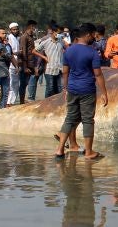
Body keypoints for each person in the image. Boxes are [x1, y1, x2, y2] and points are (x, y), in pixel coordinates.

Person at [54, 23, 109, 160]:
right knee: (88, 120)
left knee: (70, 118)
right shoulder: (92, 52)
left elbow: (65, 72)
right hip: (87, 90)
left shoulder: (68, 50)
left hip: (72, 88)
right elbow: (98, 74)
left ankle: (60, 149)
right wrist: (104, 93)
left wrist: (65, 88)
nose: (94, 38)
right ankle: (89, 152)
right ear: (88, 35)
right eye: (93, 35)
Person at [35, 25, 66, 97]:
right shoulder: (46, 42)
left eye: (60, 33)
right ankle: (46, 103)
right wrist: (44, 57)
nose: (59, 35)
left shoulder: (61, 41)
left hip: (59, 68)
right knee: (50, 88)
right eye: (58, 33)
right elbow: (34, 51)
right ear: (53, 32)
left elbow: (68, 47)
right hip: (50, 69)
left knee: (59, 88)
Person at [6, 22, 21, 106]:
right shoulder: (10, 38)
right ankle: (8, 102)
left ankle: (12, 101)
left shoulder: (17, 38)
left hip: (17, 63)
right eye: (13, 29)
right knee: (11, 83)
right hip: (12, 63)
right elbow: (10, 52)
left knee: (16, 84)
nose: (15, 31)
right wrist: (17, 53)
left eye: (16, 29)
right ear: (10, 30)